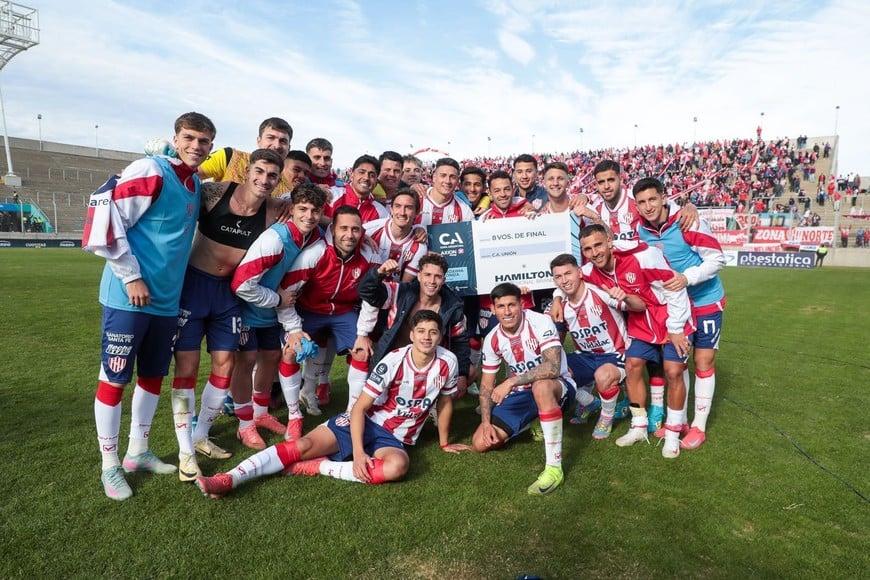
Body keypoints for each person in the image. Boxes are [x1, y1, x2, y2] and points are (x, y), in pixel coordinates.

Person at [83, 112, 216, 500]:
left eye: (203, 141)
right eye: (189, 138)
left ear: (211, 147)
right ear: (175, 138)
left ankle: (137, 451)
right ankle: (109, 464)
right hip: (129, 297)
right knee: (115, 377)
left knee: (153, 376)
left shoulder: (194, 183)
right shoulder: (151, 170)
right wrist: (131, 277)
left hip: (166, 301)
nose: (196, 146)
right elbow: (108, 221)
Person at [195, 310, 468, 497]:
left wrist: (444, 442)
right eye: (421, 331)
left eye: (433, 332)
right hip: (364, 421)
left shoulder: (449, 362)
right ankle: (229, 478)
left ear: (440, 336)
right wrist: (358, 453)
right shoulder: (394, 361)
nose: (427, 337)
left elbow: (445, 402)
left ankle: (320, 466)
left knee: (398, 467)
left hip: (394, 438)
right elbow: (359, 408)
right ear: (412, 335)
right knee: (302, 446)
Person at [170, 149, 290, 479]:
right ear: (247, 171)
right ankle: (185, 451)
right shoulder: (215, 192)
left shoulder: (275, 209)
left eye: (272, 175)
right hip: (194, 287)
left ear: (278, 180)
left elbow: (316, 209)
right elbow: (176, 193)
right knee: (187, 368)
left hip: (228, 294)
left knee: (225, 365)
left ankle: (201, 436)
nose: (264, 179)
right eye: (259, 171)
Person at [577, 224, 693, 458]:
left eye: (598, 245)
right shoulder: (590, 270)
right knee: (632, 366)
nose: (594, 253)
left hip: (671, 316)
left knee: (673, 371)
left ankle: (672, 434)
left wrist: (676, 328)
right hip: (641, 322)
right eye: (587, 249)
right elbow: (570, 277)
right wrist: (557, 298)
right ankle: (639, 426)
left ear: (609, 241)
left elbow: (675, 288)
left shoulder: (643, 256)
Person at [229, 183, 328, 449]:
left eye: (315, 211)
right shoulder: (275, 239)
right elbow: (240, 285)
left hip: (271, 312)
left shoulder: (314, 237)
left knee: (271, 358)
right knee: (245, 361)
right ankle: (244, 425)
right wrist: (277, 299)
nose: (309, 216)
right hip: (248, 308)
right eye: (303, 209)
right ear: (291, 209)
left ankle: (260, 414)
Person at [634, 178, 726, 450]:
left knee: (703, 362)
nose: (648, 206)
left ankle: (699, 426)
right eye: (642, 202)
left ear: (664, 197)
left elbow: (717, 259)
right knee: (678, 365)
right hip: (676, 308)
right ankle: (681, 420)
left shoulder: (688, 221)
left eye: (653, 199)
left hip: (705, 301)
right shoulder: (640, 230)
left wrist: (687, 278)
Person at [277, 205, 381, 431]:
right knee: (290, 351)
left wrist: (363, 333)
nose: (349, 235)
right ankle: (294, 416)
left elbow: (372, 298)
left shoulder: (370, 255)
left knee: (363, 350)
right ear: (332, 229)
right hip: (309, 311)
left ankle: (353, 412)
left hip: (343, 312)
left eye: (355, 229)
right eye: (344, 228)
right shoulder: (314, 253)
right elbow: (286, 293)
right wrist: (294, 329)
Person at [471, 283, 576, 495]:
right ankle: (531, 420)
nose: (507, 312)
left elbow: (552, 367)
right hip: (522, 393)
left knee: (541, 387)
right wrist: (486, 422)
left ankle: (554, 468)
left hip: (557, 386)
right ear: (493, 309)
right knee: (480, 443)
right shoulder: (492, 338)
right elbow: (486, 386)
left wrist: (510, 382)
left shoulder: (540, 322)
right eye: (501, 306)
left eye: (512, 305)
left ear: (521, 305)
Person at [549, 254, 643, 439]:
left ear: (580, 272)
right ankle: (589, 402)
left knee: (603, 375)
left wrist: (625, 297)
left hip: (615, 354)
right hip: (585, 356)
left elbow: (639, 306)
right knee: (550, 370)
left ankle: (606, 417)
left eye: (568, 273)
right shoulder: (560, 305)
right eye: (558, 276)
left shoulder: (600, 292)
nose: (564, 280)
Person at [356, 253, 470, 399]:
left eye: (437, 276)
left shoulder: (452, 306)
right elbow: (366, 292)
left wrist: (462, 374)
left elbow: (459, 341)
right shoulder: (400, 292)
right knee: (377, 405)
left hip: (429, 365)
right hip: (394, 360)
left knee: (471, 371)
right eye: (427, 275)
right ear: (419, 276)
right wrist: (379, 273)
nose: (432, 281)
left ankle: (434, 399)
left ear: (444, 280)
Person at [198, 117, 293, 195]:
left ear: (289, 148)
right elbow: (190, 175)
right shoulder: (229, 157)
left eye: (283, 141)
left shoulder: (287, 192)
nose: (276, 145)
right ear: (259, 140)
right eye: (270, 138)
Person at [325, 155, 388, 224]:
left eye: (372, 175)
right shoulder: (332, 194)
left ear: (376, 182)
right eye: (362, 172)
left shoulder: (381, 212)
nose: (366, 178)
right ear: (352, 175)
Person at [416, 158, 474, 225]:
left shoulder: (464, 211)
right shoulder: (416, 199)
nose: (447, 181)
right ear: (434, 177)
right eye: (443, 175)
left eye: (452, 177)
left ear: (457, 181)